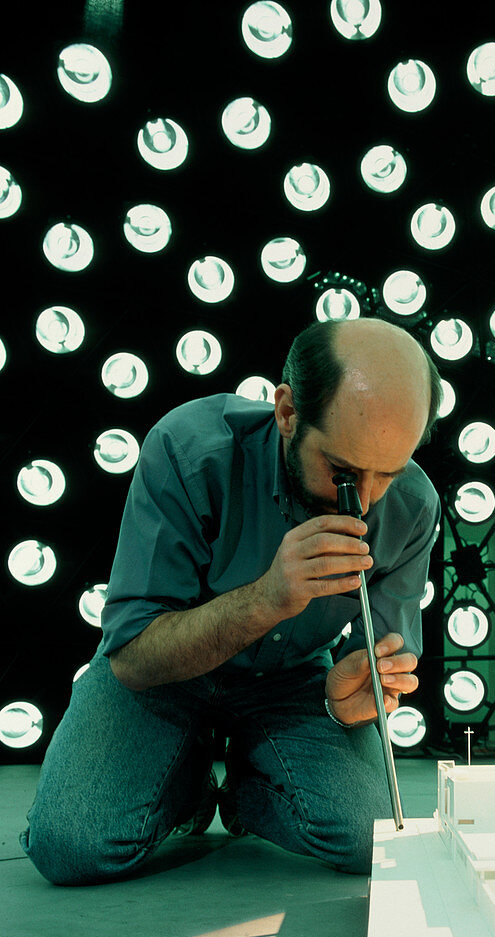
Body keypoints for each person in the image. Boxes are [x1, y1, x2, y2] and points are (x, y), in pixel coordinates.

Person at [21, 317, 442, 885]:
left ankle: (247, 791)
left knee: (371, 841)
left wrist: (363, 696)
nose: (362, 502)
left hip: (292, 681)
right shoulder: (189, 447)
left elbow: (382, 659)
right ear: (288, 412)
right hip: (163, 676)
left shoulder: (414, 504)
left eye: (387, 473)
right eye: (342, 471)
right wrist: (268, 597)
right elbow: (133, 657)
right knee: (73, 848)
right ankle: (188, 782)